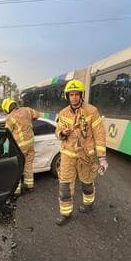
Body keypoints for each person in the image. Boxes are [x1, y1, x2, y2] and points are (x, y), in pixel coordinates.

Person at [55, 79, 107, 226]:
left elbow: (99, 133)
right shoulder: (63, 113)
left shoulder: (92, 111)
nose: (74, 97)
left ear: (81, 95)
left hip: (86, 155)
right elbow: (57, 131)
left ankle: (88, 204)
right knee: (64, 186)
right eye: (71, 94)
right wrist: (62, 132)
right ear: (68, 96)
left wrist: (102, 157)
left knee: (87, 183)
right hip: (68, 155)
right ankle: (66, 213)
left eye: (77, 94)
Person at [2, 97, 39, 195]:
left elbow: (7, 133)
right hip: (30, 143)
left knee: (17, 167)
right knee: (28, 165)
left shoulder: (10, 118)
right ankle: (29, 186)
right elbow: (37, 115)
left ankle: (17, 190)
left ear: (7, 109)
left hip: (19, 146)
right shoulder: (27, 110)